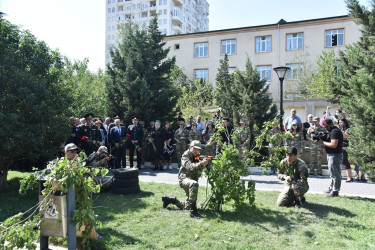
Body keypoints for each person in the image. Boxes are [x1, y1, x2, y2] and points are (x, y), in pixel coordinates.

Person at [161, 140, 210, 219]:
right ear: (190, 147)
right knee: (194, 184)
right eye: (195, 149)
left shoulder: (196, 156)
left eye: (198, 149)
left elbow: (198, 161)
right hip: (184, 179)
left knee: (187, 205)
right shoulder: (185, 156)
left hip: (192, 178)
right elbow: (190, 167)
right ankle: (193, 212)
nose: (196, 151)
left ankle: (170, 200)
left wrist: (206, 161)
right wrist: (201, 164)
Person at [318, 118, 343, 197]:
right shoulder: (332, 131)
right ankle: (331, 188)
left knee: (335, 174)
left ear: (331, 124)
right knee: (332, 173)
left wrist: (323, 142)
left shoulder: (335, 131)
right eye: (325, 127)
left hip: (335, 155)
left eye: (327, 127)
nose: (326, 129)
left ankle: (335, 191)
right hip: (332, 154)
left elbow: (333, 144)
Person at [338, 118, 353, 182]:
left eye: (341, 122)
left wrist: (340, 131)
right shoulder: (340, 129)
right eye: (339, 122)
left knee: (345, 161)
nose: (340, 123)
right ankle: (339, 176)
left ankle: (349, 177)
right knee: (339, 162)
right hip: (339, 146)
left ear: (345, 122)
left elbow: (345, 136)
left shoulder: (348, 129)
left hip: (345, 147)